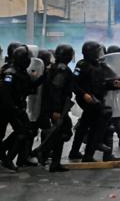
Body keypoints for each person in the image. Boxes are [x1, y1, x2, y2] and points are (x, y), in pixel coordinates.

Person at [0, 46, 38, 172]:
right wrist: (14, 109)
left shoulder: (22, 72)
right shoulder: (10, 73)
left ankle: (6, 156)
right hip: (6, 109)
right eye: (27, 59)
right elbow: (5, 95)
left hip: (17, 108)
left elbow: (29, 88)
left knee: (25, 132)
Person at [72, 41, 120, 162]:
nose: (100, 54)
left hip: (98, 98)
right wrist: (84, 94)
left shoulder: (100, 65)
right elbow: (73, 83)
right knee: (105, 119)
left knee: (84, 125)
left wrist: (115, 82)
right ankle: (96, 146)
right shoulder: (82, 65)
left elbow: (110, 78)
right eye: (98, 51)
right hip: (88, 99)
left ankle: (78, 153)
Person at [36, 44, 74, 172]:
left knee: (62, 132)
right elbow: (56, 89)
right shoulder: (61, 70)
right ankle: (44, 152)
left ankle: (51, 159)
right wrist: (56, 110)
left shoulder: (54, 67)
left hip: (58, 107)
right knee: (63, 132)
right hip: (58, 108)